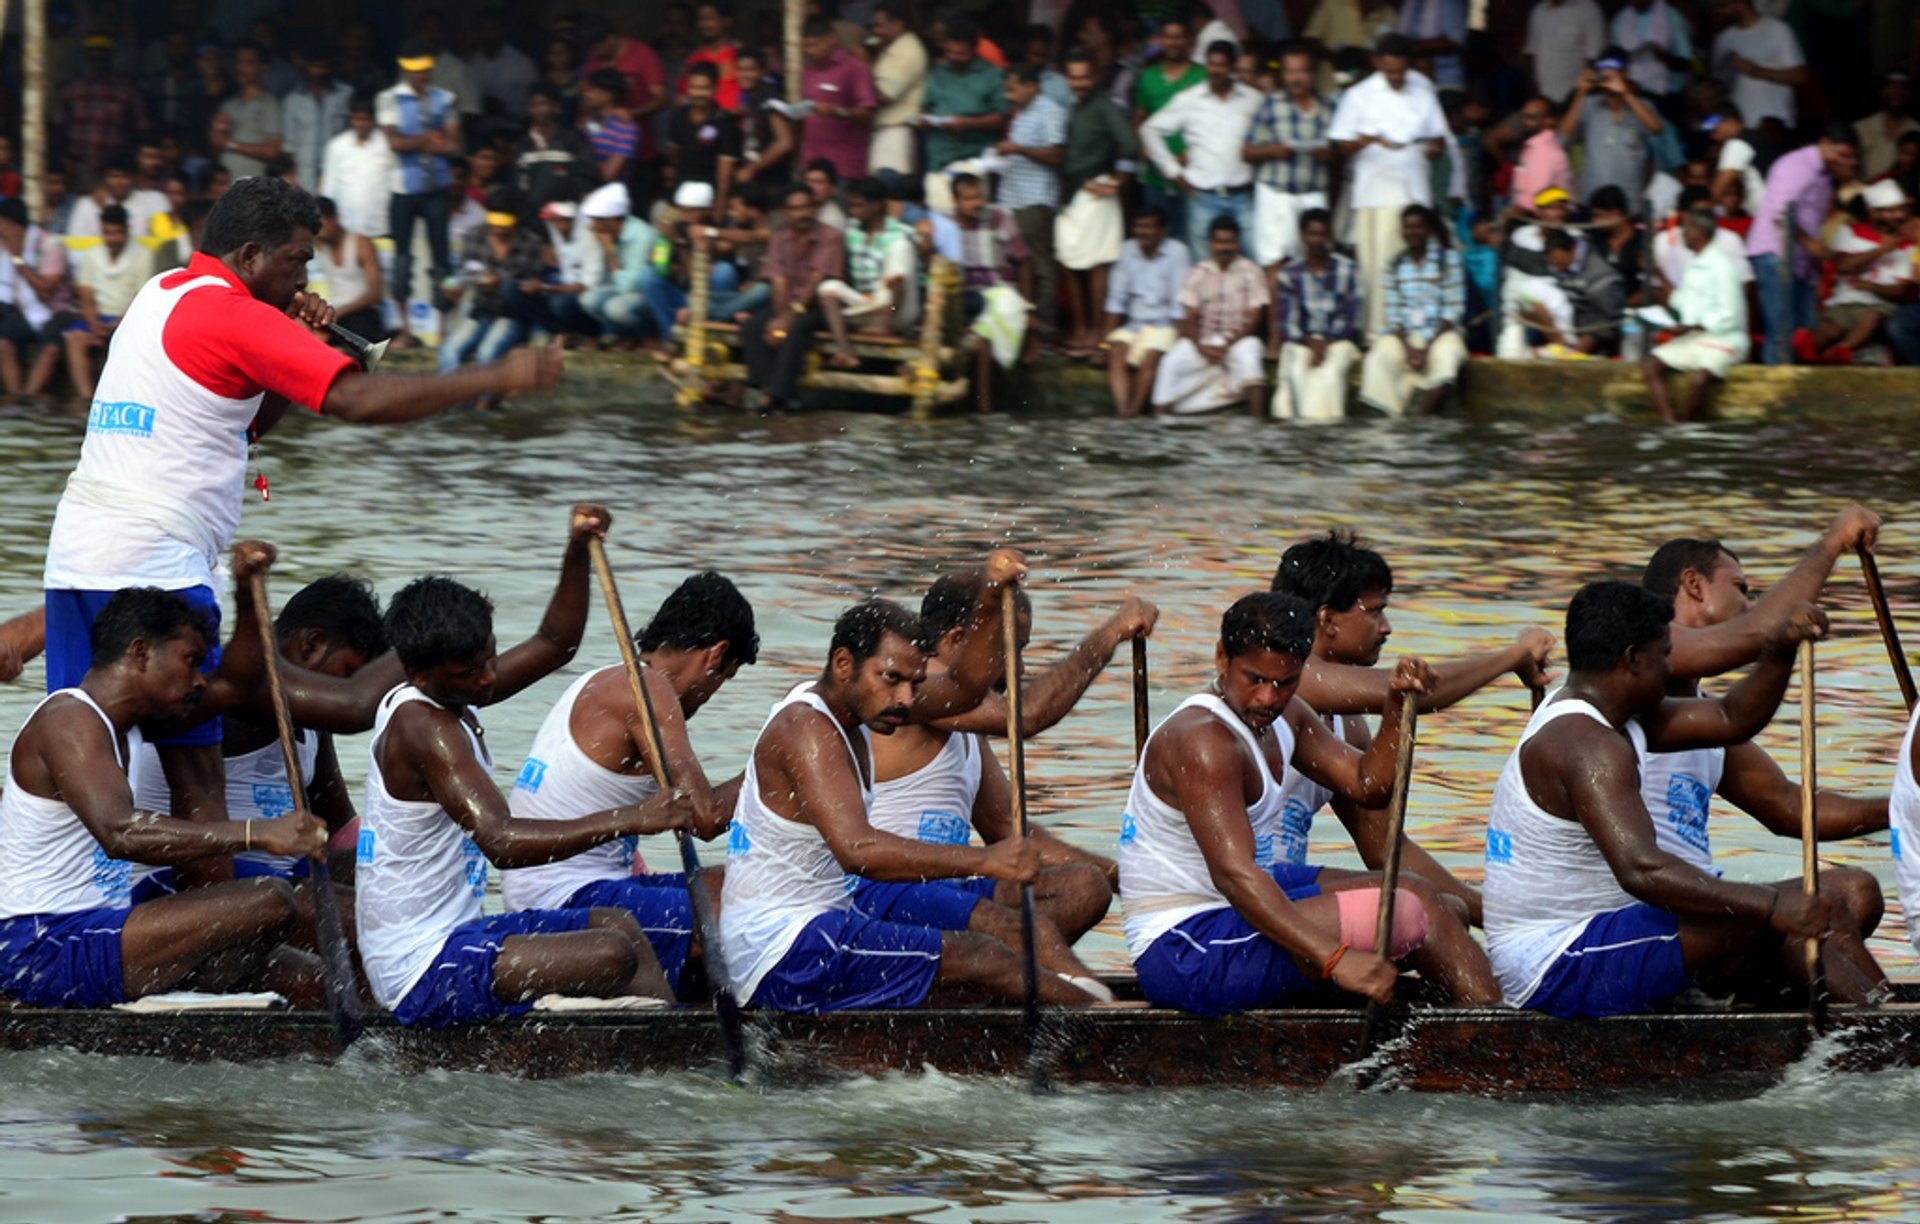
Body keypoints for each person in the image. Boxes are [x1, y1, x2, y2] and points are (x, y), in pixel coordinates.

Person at [41, 177, 565, 852]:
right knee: (197, 783)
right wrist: (497, 378)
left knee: (77, 756)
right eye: (297, 261)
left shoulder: (163, 291)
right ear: (253, 255)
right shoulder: (238, 317)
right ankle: (214, 942)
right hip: (158, 567)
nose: (306, 277)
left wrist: (291, 343)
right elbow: (358, 403)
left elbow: (242, 428)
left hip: (76, 556)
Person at [1482, 581, 1887, 1018]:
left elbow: (1732, 718)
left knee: (1839, 898)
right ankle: (1888, 1042)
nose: (1671, 666)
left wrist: (1780, 649)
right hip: (1556, 964)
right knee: (1773, 918)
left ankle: (1883, 1019)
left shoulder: (1614, 715)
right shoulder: (1586, 744)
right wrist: (1772, 906)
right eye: (1665, 654)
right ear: (1633, 659)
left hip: (1609, 934)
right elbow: (1642, 870)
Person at [719, 556, 1101, 1013]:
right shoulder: (807, 728)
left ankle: (1083, 1011)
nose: (905, 699)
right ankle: (1107, 1033)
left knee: (999, 948)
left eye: (914, 683)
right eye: (891, 679)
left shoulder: (860, 708)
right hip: (784, 949)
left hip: (825, 923)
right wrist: (984, 859)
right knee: (986, 954)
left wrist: (987, 596)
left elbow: (963, 688)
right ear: (844, 664)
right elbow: (858, 851)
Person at [359, 507, 692, 1028]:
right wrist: (634, 818)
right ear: (418, 674)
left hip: (457, 934)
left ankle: (663, 1045)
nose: (489, 678)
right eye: (472, 672)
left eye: (490, 657)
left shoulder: (452, 692)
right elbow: (502, 842)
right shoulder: (426, 728)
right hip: (418, 967)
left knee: (619, 924)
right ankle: (644, 1050)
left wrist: (577, 548)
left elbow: (554, 644)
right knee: (610, 953)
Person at [1119, 590, 1500, 1016]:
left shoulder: (1290, 715)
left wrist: (1395, 705)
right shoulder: (1204, 740)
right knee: (1410, 914)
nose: (1268, 699)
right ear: (1222, 657)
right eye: (1255, 680)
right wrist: (1334, 959)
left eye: (1284, 683)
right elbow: (1235, 876)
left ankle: (1482, 1024)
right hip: (1185, 947)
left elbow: (1369, 785)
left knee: (1432, 901)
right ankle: (1499, 1042)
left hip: (1233, 914)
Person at [0, 553, 335, 1011]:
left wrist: (244, 589)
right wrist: (259, 834)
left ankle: (208, 1001)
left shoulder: (131, 724)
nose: (199, 679)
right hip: (41, 944)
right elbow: (120, 832)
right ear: (140, 652)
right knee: (273, 900)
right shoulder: (69, 721)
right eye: (191, 661)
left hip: (100, 929)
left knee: (308, 977)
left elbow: (238, 683)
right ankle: (205, 995)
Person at [856, 572, 1153, 998]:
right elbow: (1026, 715)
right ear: (958, 642)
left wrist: (1125, 877)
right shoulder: (914, 687)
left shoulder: (965, 723)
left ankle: (980, 982)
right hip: (885, 892)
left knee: (1085, 886)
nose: (1022, 668)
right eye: (1013, 649)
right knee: (1015, 927)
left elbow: (1015, 834)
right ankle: (1079, 999)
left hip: (948, 890)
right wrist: (1110, 634)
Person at [1272, 533, 1554, 924]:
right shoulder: (1288, 678)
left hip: (1284, 891)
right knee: (1427, 907)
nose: (1386, 627)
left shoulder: (1347, 723)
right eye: (1374, 612)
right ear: (1328, 620)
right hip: (1236, 896)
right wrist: (1513, 656)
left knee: (1443, 909)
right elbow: (1412, 698)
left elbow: (1388, 850)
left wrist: (1497, 916)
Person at [1638, 537, 1890, 972]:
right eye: (1741, 588)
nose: (1749, 604)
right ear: (1693, 584)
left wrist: (1905, 804)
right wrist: (1835, 540)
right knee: (1821, 908)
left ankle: (1759, 1007)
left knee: (1857, 891)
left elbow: (1789, 807)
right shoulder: (1641, 660)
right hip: (1644, 915)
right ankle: (1877, 1031)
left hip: (1704, 905)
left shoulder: (1704, 715)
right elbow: (1759, 632)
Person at [501, 572, 758, 995]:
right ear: (716, 655)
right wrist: (776, 762)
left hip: (600, 882)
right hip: (563, 900)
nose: (711, 694)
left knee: (747, 883)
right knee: (744, 920)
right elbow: (706, 817)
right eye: (722, 680)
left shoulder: (611, 676)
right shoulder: (647, 691)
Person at [127, 572, 393, 927]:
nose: (341, 689)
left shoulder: (312, 721)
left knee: (389, 866)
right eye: (348, 672)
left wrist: (390, 860)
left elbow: (341, 828)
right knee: (361, 915)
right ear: (311, 645)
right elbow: (352, 707)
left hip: (282, 883)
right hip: (173, 888)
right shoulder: (232, 688)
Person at [1328, 36, 1450, 337]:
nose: (1396, 77)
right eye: (1390, 70)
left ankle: (1415, 330)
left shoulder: (1423, 94)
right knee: (1378, 264)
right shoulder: (1359, 95)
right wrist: (1365, 140)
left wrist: (1430, 149)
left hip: (1414, 187)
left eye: (1401, 71)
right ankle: (1378, 332)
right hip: (1375, 191)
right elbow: (1341, 144)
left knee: (1416, 261)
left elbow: (1439, 138)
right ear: (1378, 62)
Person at [1747, 125, 1859, 366]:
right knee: (1781, 330)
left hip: (1801, 262)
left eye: (1851, 157)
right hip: (1776, 254)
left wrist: (1814, 267)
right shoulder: (1797, 166)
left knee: (1804, 335)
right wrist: (1811, 245)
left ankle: (1794, 393)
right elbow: (1780, 213)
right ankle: (1776, 394)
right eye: (1843, 154)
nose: (1848, 162)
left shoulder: (1825, 176)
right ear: (1825, 142)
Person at [1142, 41, 1264, 260]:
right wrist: (1174, 173)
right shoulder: (1189, 99)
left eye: (1222, 65)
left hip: (1242, 195)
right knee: (1204, 266)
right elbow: (1149, 130)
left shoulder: (1253, 99)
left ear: (1233, 67)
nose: (1215, 70)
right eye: (1211, 64)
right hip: (1203, 197)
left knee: (1256, 260)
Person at [1056, 46, 1139, 359]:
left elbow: (1130, 145)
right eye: (1073, 78)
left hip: (1096, 191)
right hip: (1073, 193)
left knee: (1095, 265)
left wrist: (1118, 182)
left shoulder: (1104, 106)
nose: (1079, 83)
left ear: (1096, 76)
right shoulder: (1074, 107)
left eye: (1084, 77)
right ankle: (1080, 329)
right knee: (1069, 261)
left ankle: (1097, 332)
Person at [377, 46, 462, 350]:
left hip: (436, 188)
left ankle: (442, 329)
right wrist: (430, 139)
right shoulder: (389, 98)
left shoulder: (446, 98)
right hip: (403, 188)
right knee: (402, 260)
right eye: (415, 71)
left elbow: (453, 144)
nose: (420, 76)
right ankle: (405, 328)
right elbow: (395, 143)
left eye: (424, 71)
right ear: (406, 70)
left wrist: (417, 141)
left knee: (442, 261)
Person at [743, 183, 847, 413]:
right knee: (755, 325)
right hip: (790, 304)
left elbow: (816, 279)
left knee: (797, 328)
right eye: (796, 208)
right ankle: (766, 387)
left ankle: (773, 397)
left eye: (807, 207)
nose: (803, 213)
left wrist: (787, 320)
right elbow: (778, 281)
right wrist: (780, 319)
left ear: (814, 208)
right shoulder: (780, 239)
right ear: (785, 212)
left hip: (822, 305)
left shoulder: (831, 236)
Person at [1152, 215, 1269, 416]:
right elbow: (1191, 317)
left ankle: (1257, 423)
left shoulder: (1251, 271)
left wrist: (1228, 344)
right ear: (1211, 243)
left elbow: (1255, 317)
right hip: (1204, 341)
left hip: (1238, 340)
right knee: (1170, 362)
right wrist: (1200, 346)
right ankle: (1159, 421)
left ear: (1238, 243)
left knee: (1250, 354)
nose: (1224, 247)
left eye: (1229, 242)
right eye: (1220, 242)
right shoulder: (1199, 272)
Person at [1359, 204, 1465, 416]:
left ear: (1428, 230)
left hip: (1440, 333)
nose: (1412, 233)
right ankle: (1393, 415)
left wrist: (1425, 349)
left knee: (1448, 355)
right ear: (1401, 231)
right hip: (1404, 336)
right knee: (1377, 359)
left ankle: (1419, 419)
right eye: (1407, 227)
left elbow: (1453, 309)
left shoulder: (1448, 260)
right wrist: (1409, 349)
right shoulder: (1394, 264)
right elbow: (1393, 314)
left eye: (1418, 227)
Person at [1797, 179, 1914, 364]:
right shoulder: (1849, 231)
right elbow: (1843, 266)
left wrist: (1869, 286)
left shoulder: (1908, 244)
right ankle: (1804, 360)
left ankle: (1839, 353)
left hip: (1880, 306)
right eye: (1891, 211)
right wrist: (1881, 250)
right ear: (1873, 213)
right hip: (1844, 302)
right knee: (1827, 330)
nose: (1899, 216)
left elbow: (1900, 291)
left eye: (1901, 210)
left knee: (1871, 319)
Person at [437, 200, 548, 392]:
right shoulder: (474, 237)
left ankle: (482, 405)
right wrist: (454, 288)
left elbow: (532, 289)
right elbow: (463, 275)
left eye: (505, 226)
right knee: (449, 351)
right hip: (481, 309)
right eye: (494, 225)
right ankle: (449, 399)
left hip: (512, 314)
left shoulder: (531, 242)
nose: (499, 230)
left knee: (486, 355)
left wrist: (500, 282)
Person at [995, 64, 1068, 352]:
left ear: (1031, 87)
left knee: (1040, 268)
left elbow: (1056, 154)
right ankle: (1023, 331)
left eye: (1013, 88)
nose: (1008, 95)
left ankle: (1046, 333)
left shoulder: (1049, 111)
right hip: (1012, 198)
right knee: (1016, 266)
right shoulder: (1021, 112)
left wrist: (1018, 150)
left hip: (1035, 200)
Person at [1245, 43, 1336, 273]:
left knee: (1315, 260)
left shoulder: (1329, 108)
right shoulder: (1271, 105)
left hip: (1313, 194)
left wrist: (1328, 155)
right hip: (1276, 194)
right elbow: (1246, 152)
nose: (1295, 78)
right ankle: (1278, 310)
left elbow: (1340, 156)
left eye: (1302, 71)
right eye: (1290, 71)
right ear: (1282, 74)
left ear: (1314, 74)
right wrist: (1274, 151)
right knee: (1275, 262)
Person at [817, 177, 921, 367]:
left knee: (900, 251)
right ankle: (845, 351)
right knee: (828, 288)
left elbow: (899, 285)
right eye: (851, 206)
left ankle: (884, 326)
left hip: (895, 310)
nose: (854, 211)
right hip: (868, 304)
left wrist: (887, 323)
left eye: (859, 206)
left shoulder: (901, 234)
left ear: (877, 206)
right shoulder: (851, 231)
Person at [1271, 209, 1361, 420]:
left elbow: (1352, 317)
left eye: (1322, 234)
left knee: (1331, 372)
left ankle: (1326, 426)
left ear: (1329, 236)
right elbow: (1287, 322)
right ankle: (1298, 426)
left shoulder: (1348, 269)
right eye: (1312, 234)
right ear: (1302, 237)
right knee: (1295, 370)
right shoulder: (1289, 273)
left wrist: (1327, 342)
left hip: (1339, 340)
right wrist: (1310, 342)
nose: (1317, 240)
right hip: (1302, 341)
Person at [950, 172, 1033, 401]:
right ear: (956, 202)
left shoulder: (999, 217)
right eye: (968, 199)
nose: (976, 204)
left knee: (985, 337)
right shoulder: (946, 224)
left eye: (979, 197)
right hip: (965, 298)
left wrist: (1027, 306)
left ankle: (984, 406)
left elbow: (1024, 260)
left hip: (999, 292)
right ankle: (981, 407)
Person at [1102, 207, 1192, 418]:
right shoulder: (1127, 250)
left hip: (1165, 324)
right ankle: (1123, 414)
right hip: (1134, 324)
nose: (1142, 232)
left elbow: (1179, 304)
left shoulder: (1178, 252)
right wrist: (1103, 342)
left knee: (1151, 358)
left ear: (1163, 231)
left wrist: (1181, 341)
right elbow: (1116, 301)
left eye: (1149, 227)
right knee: (1117, 354)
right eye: (1139, 226)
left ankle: (1133, 414)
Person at [919, 17, 1010, 205]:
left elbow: (1002, 117)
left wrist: (968, 123)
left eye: (961, 54)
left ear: (974, 48)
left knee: (973, 220)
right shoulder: (938, 72)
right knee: (941, 218)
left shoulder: (992, 75)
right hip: (940, 158)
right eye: (951, 52)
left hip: (975, 160)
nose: (955, 57)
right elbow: (926, 106)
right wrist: (925, 120)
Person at [1132, 15, 1206, 243]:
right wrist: (1144, 149)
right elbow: (1139, 119)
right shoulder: (1148, 76)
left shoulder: (1203, 75)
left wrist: (1187, 155)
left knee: (1190, 238)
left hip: (1191, 173)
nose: (1173, 42)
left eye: (1179, 37)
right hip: (1155, 176)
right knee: (1155, 240)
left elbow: (1210, 124)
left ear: (1189, 40)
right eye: (1168, 37)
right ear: (1160, 40)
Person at [63, 205, 145, 403]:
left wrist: (120, 324)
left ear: (126, 230)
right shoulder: (92, 254)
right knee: (74, 339)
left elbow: (140, 295)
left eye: (117, 232)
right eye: (107, 233)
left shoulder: (142, 254)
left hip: (128, 318)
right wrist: (95, 326)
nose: (112, 238)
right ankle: (86, 399)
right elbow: (86, 295)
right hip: (97, 319)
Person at [1559, 53, 1661, 201]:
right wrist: (1580, 92)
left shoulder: (1643, 105)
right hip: (1591, 196)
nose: (1607, 73)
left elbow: (1656, 128)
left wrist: (1625, 93)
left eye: (1613, 68)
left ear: (1626, 72)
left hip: (1629, 199)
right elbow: (1564, 137)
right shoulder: (1588, 104)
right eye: (1602, 68)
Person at [0, 198, 74, 400]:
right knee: (3, 344)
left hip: (56, 311)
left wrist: (18, 259)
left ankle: (29, 397)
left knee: (50, 349)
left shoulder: (50, 246)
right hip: (25, 311)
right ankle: (16, 399)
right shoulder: (4, 247)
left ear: (12, 226)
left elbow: (45, 291)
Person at [580, 182, 662, 347]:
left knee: (616, 308)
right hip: (627, 289)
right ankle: (625, 335)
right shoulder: (616, 232)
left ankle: (647, 337)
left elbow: (630, 286)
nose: (591, 227)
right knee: (588, 300)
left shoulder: (641, 236)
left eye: (596, 221)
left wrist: (609, 252)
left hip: (648, 294)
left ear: (610, 220)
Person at [798, 16, 879, 181]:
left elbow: (868, 112)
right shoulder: (808, 72)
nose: (810, 51)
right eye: (806, 46)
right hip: (812, 163)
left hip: (843, 164)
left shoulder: (854, 68)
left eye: (814, 45)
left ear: (831, 40)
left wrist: (837, 111)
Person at [57, 34, 147, 177]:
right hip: (78, 168)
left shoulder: (127, 89)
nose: (98, 56)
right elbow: (59, 128)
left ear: (111, 55)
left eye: (103, 51)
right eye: (94, 51)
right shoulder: (72, 88)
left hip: (116, 170)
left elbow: (141, 128)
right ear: (87, 55)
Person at [1709, 0, 1806, 132]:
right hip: (1738, 128)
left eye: (1723, 6)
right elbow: (1718, 86)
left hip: (1774, 127)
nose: (1719, 12)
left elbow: (1800, 76)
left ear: (1740, 4)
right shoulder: (1722, 39)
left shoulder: (1778, 30)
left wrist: (1756, 71)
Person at [666, 63, 742, 219]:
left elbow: (724, 180)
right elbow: (674, 155)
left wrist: (717, 217)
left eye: (704, 88)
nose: (698, 93)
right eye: (694, 87)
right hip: (680, 195)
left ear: (715, 89)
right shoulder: (678, 116)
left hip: (707, 202)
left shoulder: (724, 123)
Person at [320, 95, 397, 241]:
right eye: (357, 119)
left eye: (365, 119)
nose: (361, 124)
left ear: (374, 119)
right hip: (346, 227)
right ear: (351, 118)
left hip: (380, 226)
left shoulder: (387, 145)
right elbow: (329, 187)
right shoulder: (337, 146)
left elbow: (395, 183)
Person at [868, 2, 929, 177]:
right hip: (885, 131)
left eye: (880, 26)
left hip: (896, 132)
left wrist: (862, 63)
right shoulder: (892, 48)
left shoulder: (907, 52)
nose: (875, 31)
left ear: (898, 25)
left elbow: (883, 96)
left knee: (890, 187)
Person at [310, 197, 384, 341]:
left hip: (360, 314)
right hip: (335, 314)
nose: (319, 233)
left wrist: (342, 311)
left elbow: (375, 293)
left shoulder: (360, 243)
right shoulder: (319, 243)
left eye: (322, 226)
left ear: (335, 219)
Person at [516, 84, 597, 212]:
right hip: (531, 219)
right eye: (534, 105)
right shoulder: (524, 143)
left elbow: (585, 177)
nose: (538, 109)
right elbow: (518, 183)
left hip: (566, 218)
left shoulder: (573, 139)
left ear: (556, 107)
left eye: (543, 104)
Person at [283, 44, 352, 191]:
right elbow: (289, 146)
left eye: (323, 67)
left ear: (330, 67)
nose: (318, 72)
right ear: (306, 67)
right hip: (304, 173)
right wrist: (291, 175)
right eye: (314, 67)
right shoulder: (293, 99)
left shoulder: (345, 94)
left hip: (338, 170)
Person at [67, 155, 169, 244]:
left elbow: (166, 240)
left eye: (124, 177)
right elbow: (76, 243)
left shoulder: (155, 200)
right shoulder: (87, 204)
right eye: (114, 176)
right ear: (104, 178)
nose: (119, 182)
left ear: (134, 178)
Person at [1524, 0, 1607, 104]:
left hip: (1575, 100)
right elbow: (1532, 53)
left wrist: (1582, 97)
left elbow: (1595, 59)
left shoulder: (1588, 9)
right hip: (1543, 99)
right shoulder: (1539, 11)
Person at [579, 69, 642, 185]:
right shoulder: (590, 123)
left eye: (592, 89)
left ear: (608, 95)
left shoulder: (626, 129)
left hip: (610, 195)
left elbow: (608, 174)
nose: (587, 94)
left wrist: (582, 164)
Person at [1856, 73, 1920, 183]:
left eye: (1903, 87)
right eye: (1891, 86)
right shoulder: (1862, 127)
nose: (1897, 92)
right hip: (1863, 192)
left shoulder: (1916, 130)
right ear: (1882, 91)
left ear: (1910, 93)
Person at [681, 1, 743, 112]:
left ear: (726, 22)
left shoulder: (738, 53)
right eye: (701, 19)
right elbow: (680, 96)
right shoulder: (694, 58)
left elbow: (754, 92)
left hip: (735, 123)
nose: (704, 24)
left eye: (709, 19)